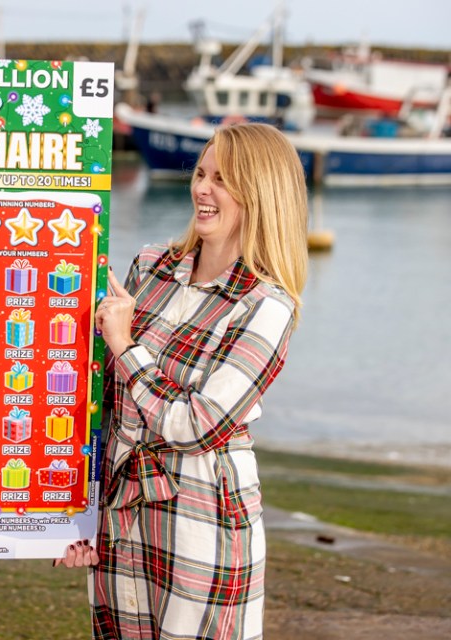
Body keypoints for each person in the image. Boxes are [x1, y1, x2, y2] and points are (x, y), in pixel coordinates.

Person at [71, 122, 309, 639]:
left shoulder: (266, 306)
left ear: (262, 193)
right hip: (120, 514)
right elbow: (100, 403)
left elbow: (195, 424)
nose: (202, 188)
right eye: (201, 173)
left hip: (201, 521)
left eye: (223, 179)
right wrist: (76, 514)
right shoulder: (149, 266)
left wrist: (123, 344)